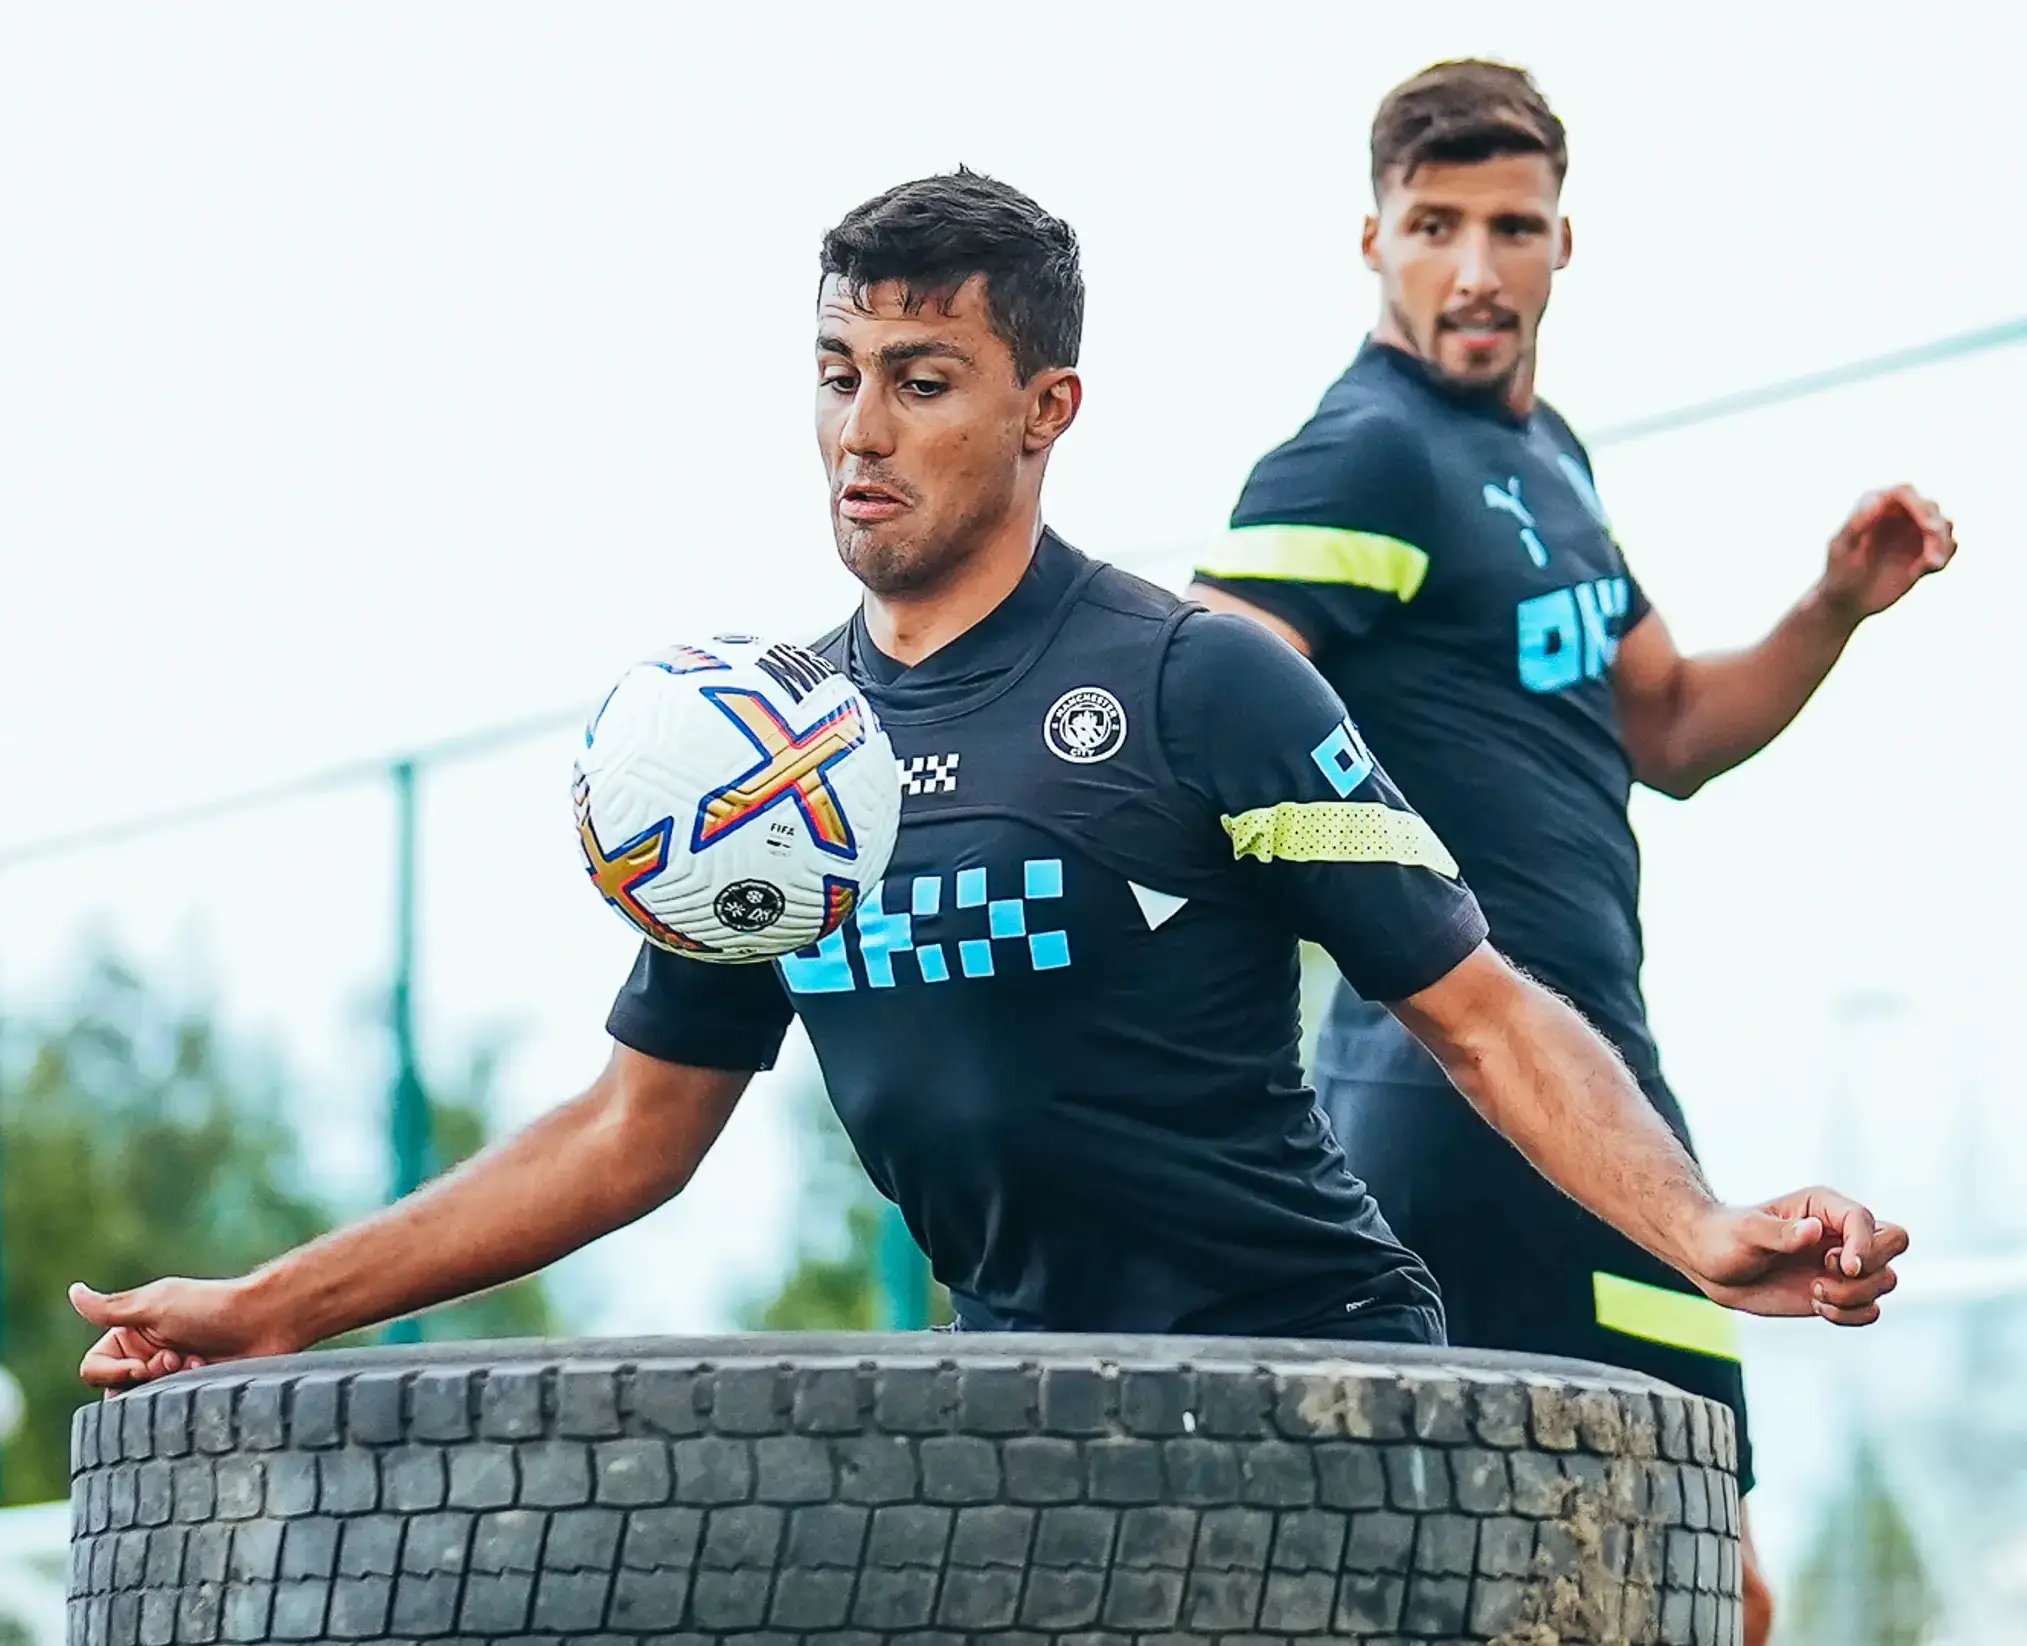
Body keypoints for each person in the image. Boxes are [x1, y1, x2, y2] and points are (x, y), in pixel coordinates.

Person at [75, 172, 1902, 1411]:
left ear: (1046, 409)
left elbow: (1480, 1013)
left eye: (922, 380)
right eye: (835, 375)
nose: (860, 430)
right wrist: (269, 1304)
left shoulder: (1203, 680)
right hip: (1008, 1403)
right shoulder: (763, 766)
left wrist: (1698, 1225)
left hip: (1312, 1371)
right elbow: (630, 1132)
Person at [1189, 61, 1955, 1646]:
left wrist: (1829, 607)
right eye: (1434, 225)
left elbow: (1667, 724)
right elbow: (1196, 707)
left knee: (1709, 1590)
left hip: (1604, 1084)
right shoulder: (1363, 453)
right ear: (1372, 239)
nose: (1474, 268)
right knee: (1567, 1596)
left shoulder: (1548, 460)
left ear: (1562, 242)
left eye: (1511, 227)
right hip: (1459, 1094)